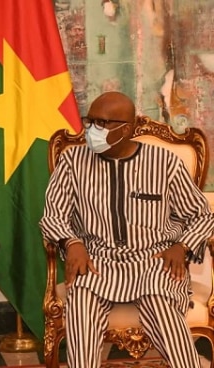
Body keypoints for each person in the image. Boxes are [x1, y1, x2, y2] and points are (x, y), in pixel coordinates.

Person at [39, 91, 214, 368]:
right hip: (96, 261)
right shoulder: (73, 162)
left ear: (128, 129)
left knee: (163, 309)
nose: (93, 130)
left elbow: (201, 215)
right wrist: (72, 243)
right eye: (90, 121)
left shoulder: (164, 163)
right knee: (81, 309)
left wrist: (182, 246)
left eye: (104, 123)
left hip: (153, 262)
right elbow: (52, 216)